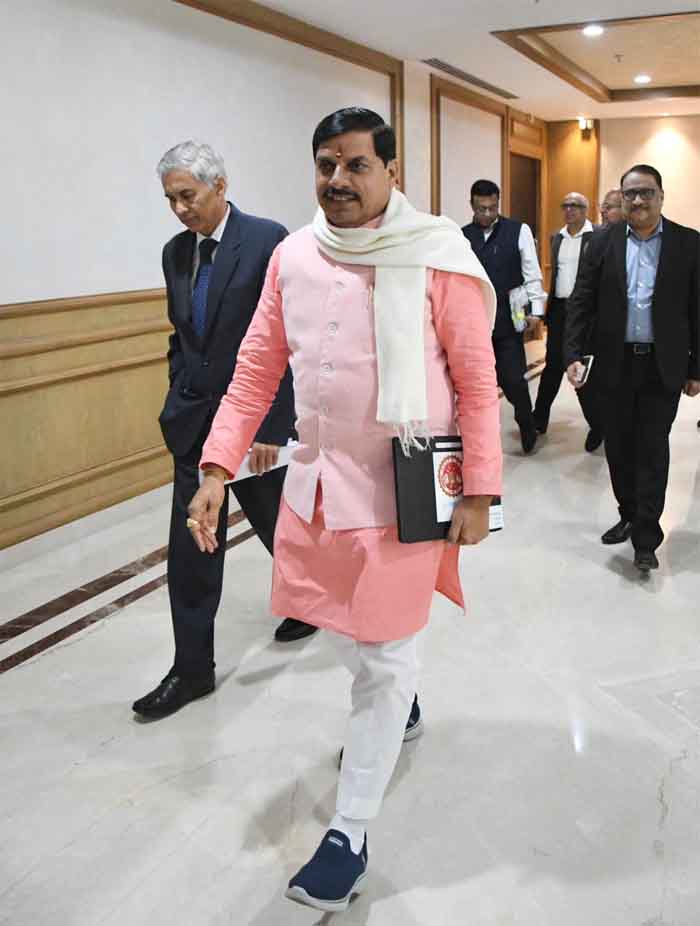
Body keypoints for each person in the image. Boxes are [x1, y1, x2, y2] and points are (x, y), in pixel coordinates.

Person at [187, 108, 502, 912]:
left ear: (392, 172)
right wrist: (217, 467)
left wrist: (479, 489)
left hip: (405, 490)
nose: (338, 180)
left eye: (357, 165)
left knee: (384, 660)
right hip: (317, 487)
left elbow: (476, 381)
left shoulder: (435, 256)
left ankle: (349, 833)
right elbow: (255, 370)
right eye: (326, 164)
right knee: (347, 637)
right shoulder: (294, 255)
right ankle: (399, 696)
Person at [132, 141, 315, 722]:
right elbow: (182, 336)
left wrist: (274, 425)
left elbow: (289, 339)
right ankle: (191, 670)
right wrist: (178, 392)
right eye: (170, 199)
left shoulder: (266, 240)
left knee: (281, 529)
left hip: (255, 427)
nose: (180, 209)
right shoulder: (174, 253)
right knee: (192, 548)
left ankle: (310, 603)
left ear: (220, 185)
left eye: (188, 195)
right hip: (195, 425)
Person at [565, 164, 700, 572]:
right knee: (620, 447)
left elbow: (697, 309)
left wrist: (696, 368)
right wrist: (572, 354)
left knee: (653, 448)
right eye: (630, 194)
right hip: (614, 363)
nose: (638, 200)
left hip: (662, 365)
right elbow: (582, 299)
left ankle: (646, 537)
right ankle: (628, 513)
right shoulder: (602, 241)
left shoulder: (688, 243)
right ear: (621, 198)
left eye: (646, 192)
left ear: (661, 196)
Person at [462, 179, 546, 453]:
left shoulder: (518, 230)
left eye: (492, 208)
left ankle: (526, 421)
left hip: (509, 317)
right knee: (478, 383)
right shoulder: (462, 236)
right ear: (472, 206)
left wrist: (537, 311)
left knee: (513, 379)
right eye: (481, 209)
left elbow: (532, 272)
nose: (488, 214)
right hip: (475, 321)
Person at [533, 192, 603, 451]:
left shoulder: (598, 236)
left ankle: (598, 424)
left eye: (576, 206)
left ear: (586, 209)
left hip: (586, 313)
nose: (570, 210)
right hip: (560, 309)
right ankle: (538, 419)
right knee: (552, 366)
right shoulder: (557, 237)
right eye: (566, 206)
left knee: (580, 368)